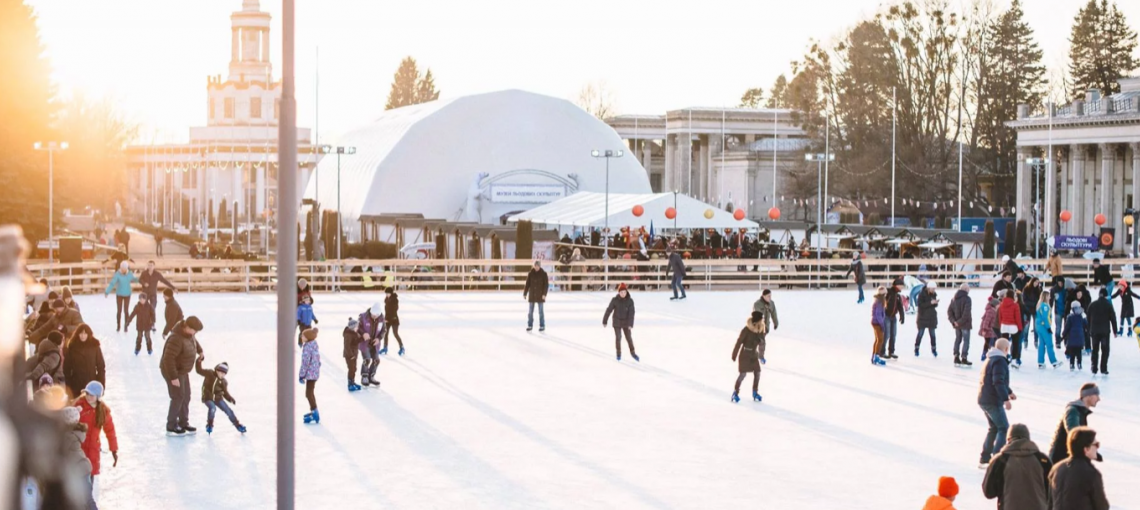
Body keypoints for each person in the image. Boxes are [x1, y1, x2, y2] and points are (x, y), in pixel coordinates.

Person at [982, 423, 1052, 510]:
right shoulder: (1042, 460)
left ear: (1008, 439)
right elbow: (1052, 492)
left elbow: (989, 492)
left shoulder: (1000, 460)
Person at [160, 316, 204, 435]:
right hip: (172, 370)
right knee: (178, 396)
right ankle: (171, 425)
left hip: (182, 370)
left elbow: (194, 341)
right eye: (194, 330)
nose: (195, 333)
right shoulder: (175, 338)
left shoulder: (189, 334)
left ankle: (183, 422)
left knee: (186, 396)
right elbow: (168, 359)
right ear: (187, 327)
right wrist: (173, 377)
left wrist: (200, 351)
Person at [1048, 427, 1109, 510]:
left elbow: (1050, 503)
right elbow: (1101, 506)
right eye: (1096, 444)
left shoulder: (1056, 469)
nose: (1097, 448)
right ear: (1086, 449)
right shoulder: (1091, 473)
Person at [979, 337, 1017, 467]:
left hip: (984, 399)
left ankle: (985, 457)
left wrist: (1009, 391)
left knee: (994, 428)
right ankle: (996, 459)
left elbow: (997, 379)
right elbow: (998, 382)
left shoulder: (990, 359)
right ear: (1006, 349)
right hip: (992, 400)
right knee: (1003, 428)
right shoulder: (1000, 361)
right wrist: (1005, 399)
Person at [73, 381, 118, 491]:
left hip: (93, 449)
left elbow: (110, 431)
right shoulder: (79, 406)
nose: (88, 397)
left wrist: (114, 449)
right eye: (87, 394)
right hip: (79, 448)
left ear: (98, 397)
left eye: (91, 395)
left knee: (89, 480)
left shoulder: (103, 411)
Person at [1048, 383, 1102, 464]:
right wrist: (1091, 451)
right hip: (1060, 459)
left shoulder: (1080, 412)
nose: (1099, 399)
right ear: (1088, 396)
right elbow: (1074, 434)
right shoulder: (1073, 411)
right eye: (1096, 395)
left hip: (1067, 459)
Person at [195, 358, 245, 434]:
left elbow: (225, 393)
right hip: (208, 397)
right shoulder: (210, 373)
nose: (222, 374)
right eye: (220, 372)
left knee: (229, 411)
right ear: (217, 370)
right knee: (212, 408)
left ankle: (238, 425)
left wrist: (230, 398)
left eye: (224, 373)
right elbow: (199, 370)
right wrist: (198, 362)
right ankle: (210, 424)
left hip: (218, 399)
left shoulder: (224, 382)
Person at [730, 310, 766, 403]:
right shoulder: (746, 330)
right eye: (761, 320)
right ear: (757, 320)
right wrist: (734, 354)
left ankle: (755, 392)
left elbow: (762, 344)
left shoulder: (760, 330)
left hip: (754, 355)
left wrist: (761, 355)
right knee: (743, 374)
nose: (762, 322)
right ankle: (735, 393)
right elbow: (739, 342)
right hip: (745, 355)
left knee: (757, 372)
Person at [62, 324, 105, 400]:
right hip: (76, 384)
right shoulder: (72, 347)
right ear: (77, 334)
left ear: (89, 334)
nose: (83, 336)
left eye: (85, 333)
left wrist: (101, 385)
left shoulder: (95, 347)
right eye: (81, 333)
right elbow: (66, 369)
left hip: (92, 384)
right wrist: (68, 387)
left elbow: (101, 367)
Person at [1085, 288, 1118, 376]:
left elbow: (1088, 318)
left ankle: (1094, 367)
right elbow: (1113, 318)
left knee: (1095, 350)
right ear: (1106, 295)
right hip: (1105, 332)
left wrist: (1088, 329)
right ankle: (1103, 368)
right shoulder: (1108, 305)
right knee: (1105, 350)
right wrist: (1115, 331)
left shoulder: (1092, 304)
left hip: (1094, 331)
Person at [603, 283, 638, 362]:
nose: (623, 294)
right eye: (621, 292)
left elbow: (631, 313)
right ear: (619, 292)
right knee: (618, 338)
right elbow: (609, 310)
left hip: (626, 322)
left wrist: (630, 324)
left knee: (629, 338)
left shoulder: (630, 301)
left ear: (626, 292)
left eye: (624, 292)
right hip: (617, 321)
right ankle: (618, 353)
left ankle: (633, 352)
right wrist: (605, 320)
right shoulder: (615, 300)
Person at [105, 261, 139, 332]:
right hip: (119, 295)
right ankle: (118, 325)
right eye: (122, 268)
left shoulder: (129, 274)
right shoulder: (117, 274)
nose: (123, 269)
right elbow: (112, 283)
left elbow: (136, 279)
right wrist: (107, 291)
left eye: (124, 268)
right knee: (119, 311)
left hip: (127, 294)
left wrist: (143, 280)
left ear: (126, 268)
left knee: (126, 311)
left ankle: (126, 325)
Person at [356, 303, 384, 387]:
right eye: (373, 315)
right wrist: (363, 333)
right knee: (367, 359)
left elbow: (384, 330)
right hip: (365, 343)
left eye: (376, 315)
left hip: (374, 343)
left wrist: (379, 338)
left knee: (376, 360)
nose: (374, 317)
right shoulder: (363, 317)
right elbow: (358, 327)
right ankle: (364, 376)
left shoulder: (381, 318)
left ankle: (371, 376)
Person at [947, 283, 973, 367]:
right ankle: (964, 357)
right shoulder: (967, 299)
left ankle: (956, 356)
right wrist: (959, 322)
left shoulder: (954, 299)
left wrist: (954, 321)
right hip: (964, 324)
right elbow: (966, 313)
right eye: (968, 289)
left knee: (958, 339)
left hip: (957, 324)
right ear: (965, 289)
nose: (969, 290)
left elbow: (949, 312)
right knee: (966, 340)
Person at [299, 328, 322, 424]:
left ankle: (315, 412)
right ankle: (314, 410)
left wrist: (301, 375)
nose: (301, 337)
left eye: (303, 336)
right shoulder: (314, 345)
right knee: (309, 392)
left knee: (309, 393)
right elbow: (318, 360)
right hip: (314, 372)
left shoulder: (308, 347)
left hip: (310, 374)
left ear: (307, 337)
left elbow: (305, 363)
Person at [998, 289, 1025, 368]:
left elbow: (1000, 316)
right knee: (1015, 343)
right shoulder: (1015, 305)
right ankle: (1013, 360)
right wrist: (1020, 327)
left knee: (1004, 343)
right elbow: (1018, 318)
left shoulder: (1001, 304)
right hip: (1013, 326)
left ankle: (1004, 358)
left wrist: (1001, 325)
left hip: (1004, 325)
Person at [1036, 290, 1062, 369]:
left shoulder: (1039, 305)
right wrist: (1048, 328)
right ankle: (1054, 362)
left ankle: (1041, 362)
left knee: (1041, 345)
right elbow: (1045, 318)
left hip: (1039, 326)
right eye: (1049, 296)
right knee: (1049, 344)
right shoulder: (1045, 306)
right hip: (1044, 327)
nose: (1050, 297)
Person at [914, 282, 939, 357]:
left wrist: (935, 303)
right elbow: (920, 305)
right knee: (920, 334)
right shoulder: (921, 295)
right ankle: (916, 349)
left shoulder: (934, 294)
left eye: (935, 289)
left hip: (931, 318)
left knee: (933, 335)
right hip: (922, 317)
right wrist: (930, 303)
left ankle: (934, 349)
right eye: (933, 288)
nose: (934, 290)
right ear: (929, 288)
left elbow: (933, 305)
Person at [883, 278, 905, 359]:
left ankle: (891, 352)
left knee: (893, 335)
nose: (902, 287)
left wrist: (902, 316)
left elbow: (900, 307)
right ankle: (882, 351)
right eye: (901, 285)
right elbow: (881, 298)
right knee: (887, 334)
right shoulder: (889, 292)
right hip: (886, 316)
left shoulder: (898, 296)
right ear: (897, 285)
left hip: (893, 317)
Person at [1061, 302, 1088, 371]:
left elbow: (1067, 328)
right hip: (1080, 337)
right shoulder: (1082, 316)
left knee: (1072, 352)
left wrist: (1063, 335)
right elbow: (1086, 325)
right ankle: (1079, 363)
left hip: (1072, 338)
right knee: (1079, 352)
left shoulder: (1070, 317)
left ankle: (1072, 364)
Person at [523, 260, 548, 332]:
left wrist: (544, 294)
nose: (536, 267)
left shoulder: (544, 274)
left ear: (540, 266)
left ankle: (542, 325)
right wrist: (525, 293)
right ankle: (530, 325)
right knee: (530, 311)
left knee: (541, 311)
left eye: (537, 266)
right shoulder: (530, 273)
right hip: (532, 294)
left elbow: (546, 285)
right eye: (535, 266)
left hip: (540, 295)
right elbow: (527, 284)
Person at [382, 286, 404, 356]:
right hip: (387, 319)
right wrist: (385, 319)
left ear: (391, 293)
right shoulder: (386, 300)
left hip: (394, 319)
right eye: (386, 293)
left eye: (388, 293)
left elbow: (394, 310)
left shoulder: (395, 300)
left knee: (395, 334)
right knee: (386, 334)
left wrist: (391, 318)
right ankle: (385, 347)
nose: (387, 295)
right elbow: (386, 311)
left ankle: (401, 347)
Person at [342, 317, 362, 392]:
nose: (358, 328)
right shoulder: (348, 334)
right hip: (349, 356)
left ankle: (352, 382)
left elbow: (355, 342)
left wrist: (362, 338)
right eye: (357, 326)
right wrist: (351, 356)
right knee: (351, 369)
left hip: (353, 354)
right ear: (353, 327)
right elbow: (347, 346)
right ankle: (350, 384)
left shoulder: (353, 333)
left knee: (354, 369)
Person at [870, 286, 887, 366]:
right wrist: (882, 324)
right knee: (880, 340)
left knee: (877, 339)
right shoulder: (879, 302)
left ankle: (874, 356)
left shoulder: (878, 300)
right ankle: (876, 356)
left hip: (875, 322)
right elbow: (878, 314)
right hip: (877, 323)